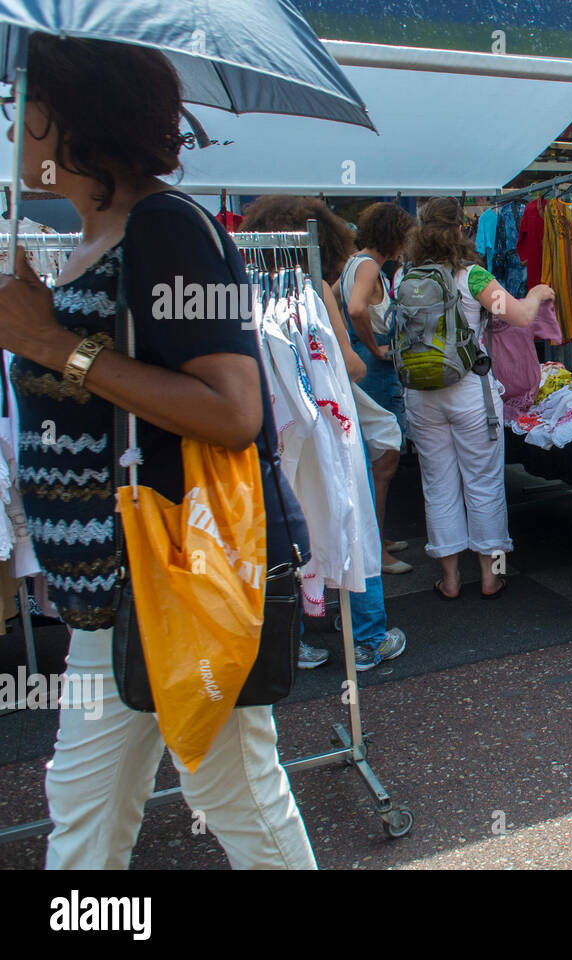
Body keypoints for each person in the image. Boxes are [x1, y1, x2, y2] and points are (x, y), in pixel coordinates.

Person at [0, 35, 314, 867]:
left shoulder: (166, 229)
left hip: (172, 578)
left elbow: (233, 408)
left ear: (59, 120)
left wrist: (50, 344)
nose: (11, 125)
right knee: (86, 817)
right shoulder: (88, 245)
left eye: (19, 108)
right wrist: (41, 329)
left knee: (235, 798)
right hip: (113, 596)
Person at [239, 196, 406, 672]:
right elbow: (350, 366)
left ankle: (290, 641)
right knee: (352, 522)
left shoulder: (238, 292)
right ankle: (369, 637)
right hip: (328, 431)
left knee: (283, 529)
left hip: (270, 431)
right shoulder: (314, 291)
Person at [401, 198, 554, 599]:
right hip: (470, 392)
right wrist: (536, 294)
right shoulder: (473, 277)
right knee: (483, 483)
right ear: (458, 230)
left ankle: (450, 580)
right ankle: (490, 576)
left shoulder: (408, 275)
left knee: (438, 485)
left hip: (420, 395)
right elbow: (519, 315)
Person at [337, 201, 415, 575]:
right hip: (374, 369)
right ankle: (376, 552)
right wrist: (370, 347)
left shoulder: (355, 262)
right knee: (382, 461)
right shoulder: (369, 267)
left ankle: (376, 538)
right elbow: (353, 308)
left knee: (373, 459)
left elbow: (335, 299)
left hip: (363, 364)